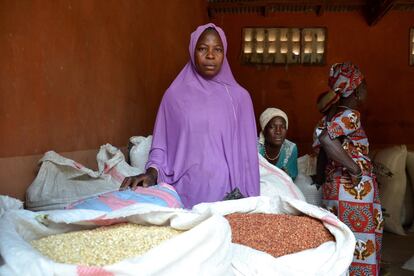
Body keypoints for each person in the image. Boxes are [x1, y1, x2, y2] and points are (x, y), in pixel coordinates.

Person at [121, 23, 260, 208]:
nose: (210, 55)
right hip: (183, 191)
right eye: (202, 48)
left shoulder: (240, 98)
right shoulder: (174, 95)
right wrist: (152, 173)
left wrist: (250, 201)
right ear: (192, 50)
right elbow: (161, 145)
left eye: (217, 49)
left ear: (224, 53)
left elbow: (248, 157)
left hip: (228, 196)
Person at [313, 62, 383, 276]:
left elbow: (323, 151)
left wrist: (322, 179)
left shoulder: (328, 116)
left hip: (335, 189)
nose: (366, 90)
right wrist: (356, 170)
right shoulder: (350, 116)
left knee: (342, 245)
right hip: (353, 192)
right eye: (364, 85)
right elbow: (326, 140)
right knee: (360, 244)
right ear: (356, 89)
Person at [258, 108, 298, 180]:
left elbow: (292, 177)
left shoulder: (291, 149)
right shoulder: (254, 148)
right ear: (264, 130)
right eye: (272, 127)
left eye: (282, 127)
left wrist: (286, 175)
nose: (278, 131)